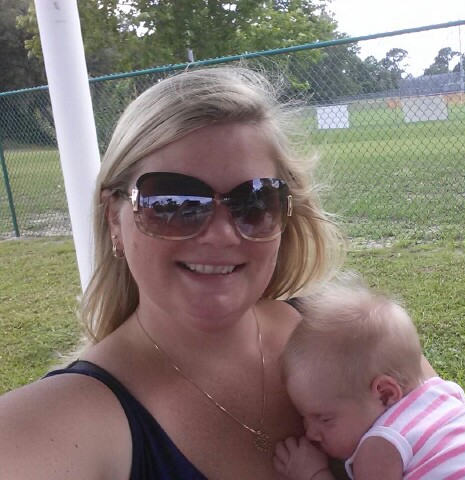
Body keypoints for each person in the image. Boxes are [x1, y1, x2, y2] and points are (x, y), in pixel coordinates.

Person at [0, 66, 347, 479]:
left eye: (253, 203)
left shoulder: (344, 334)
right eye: (173, 204)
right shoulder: (60, 423)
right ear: (114, 219)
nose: (221, 235)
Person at [274, 274, 465, 480]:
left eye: (324, 418)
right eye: (305, 419)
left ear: (385, 394)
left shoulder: (380, 446)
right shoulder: (444, 394)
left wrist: (313, 474)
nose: (311, 433)